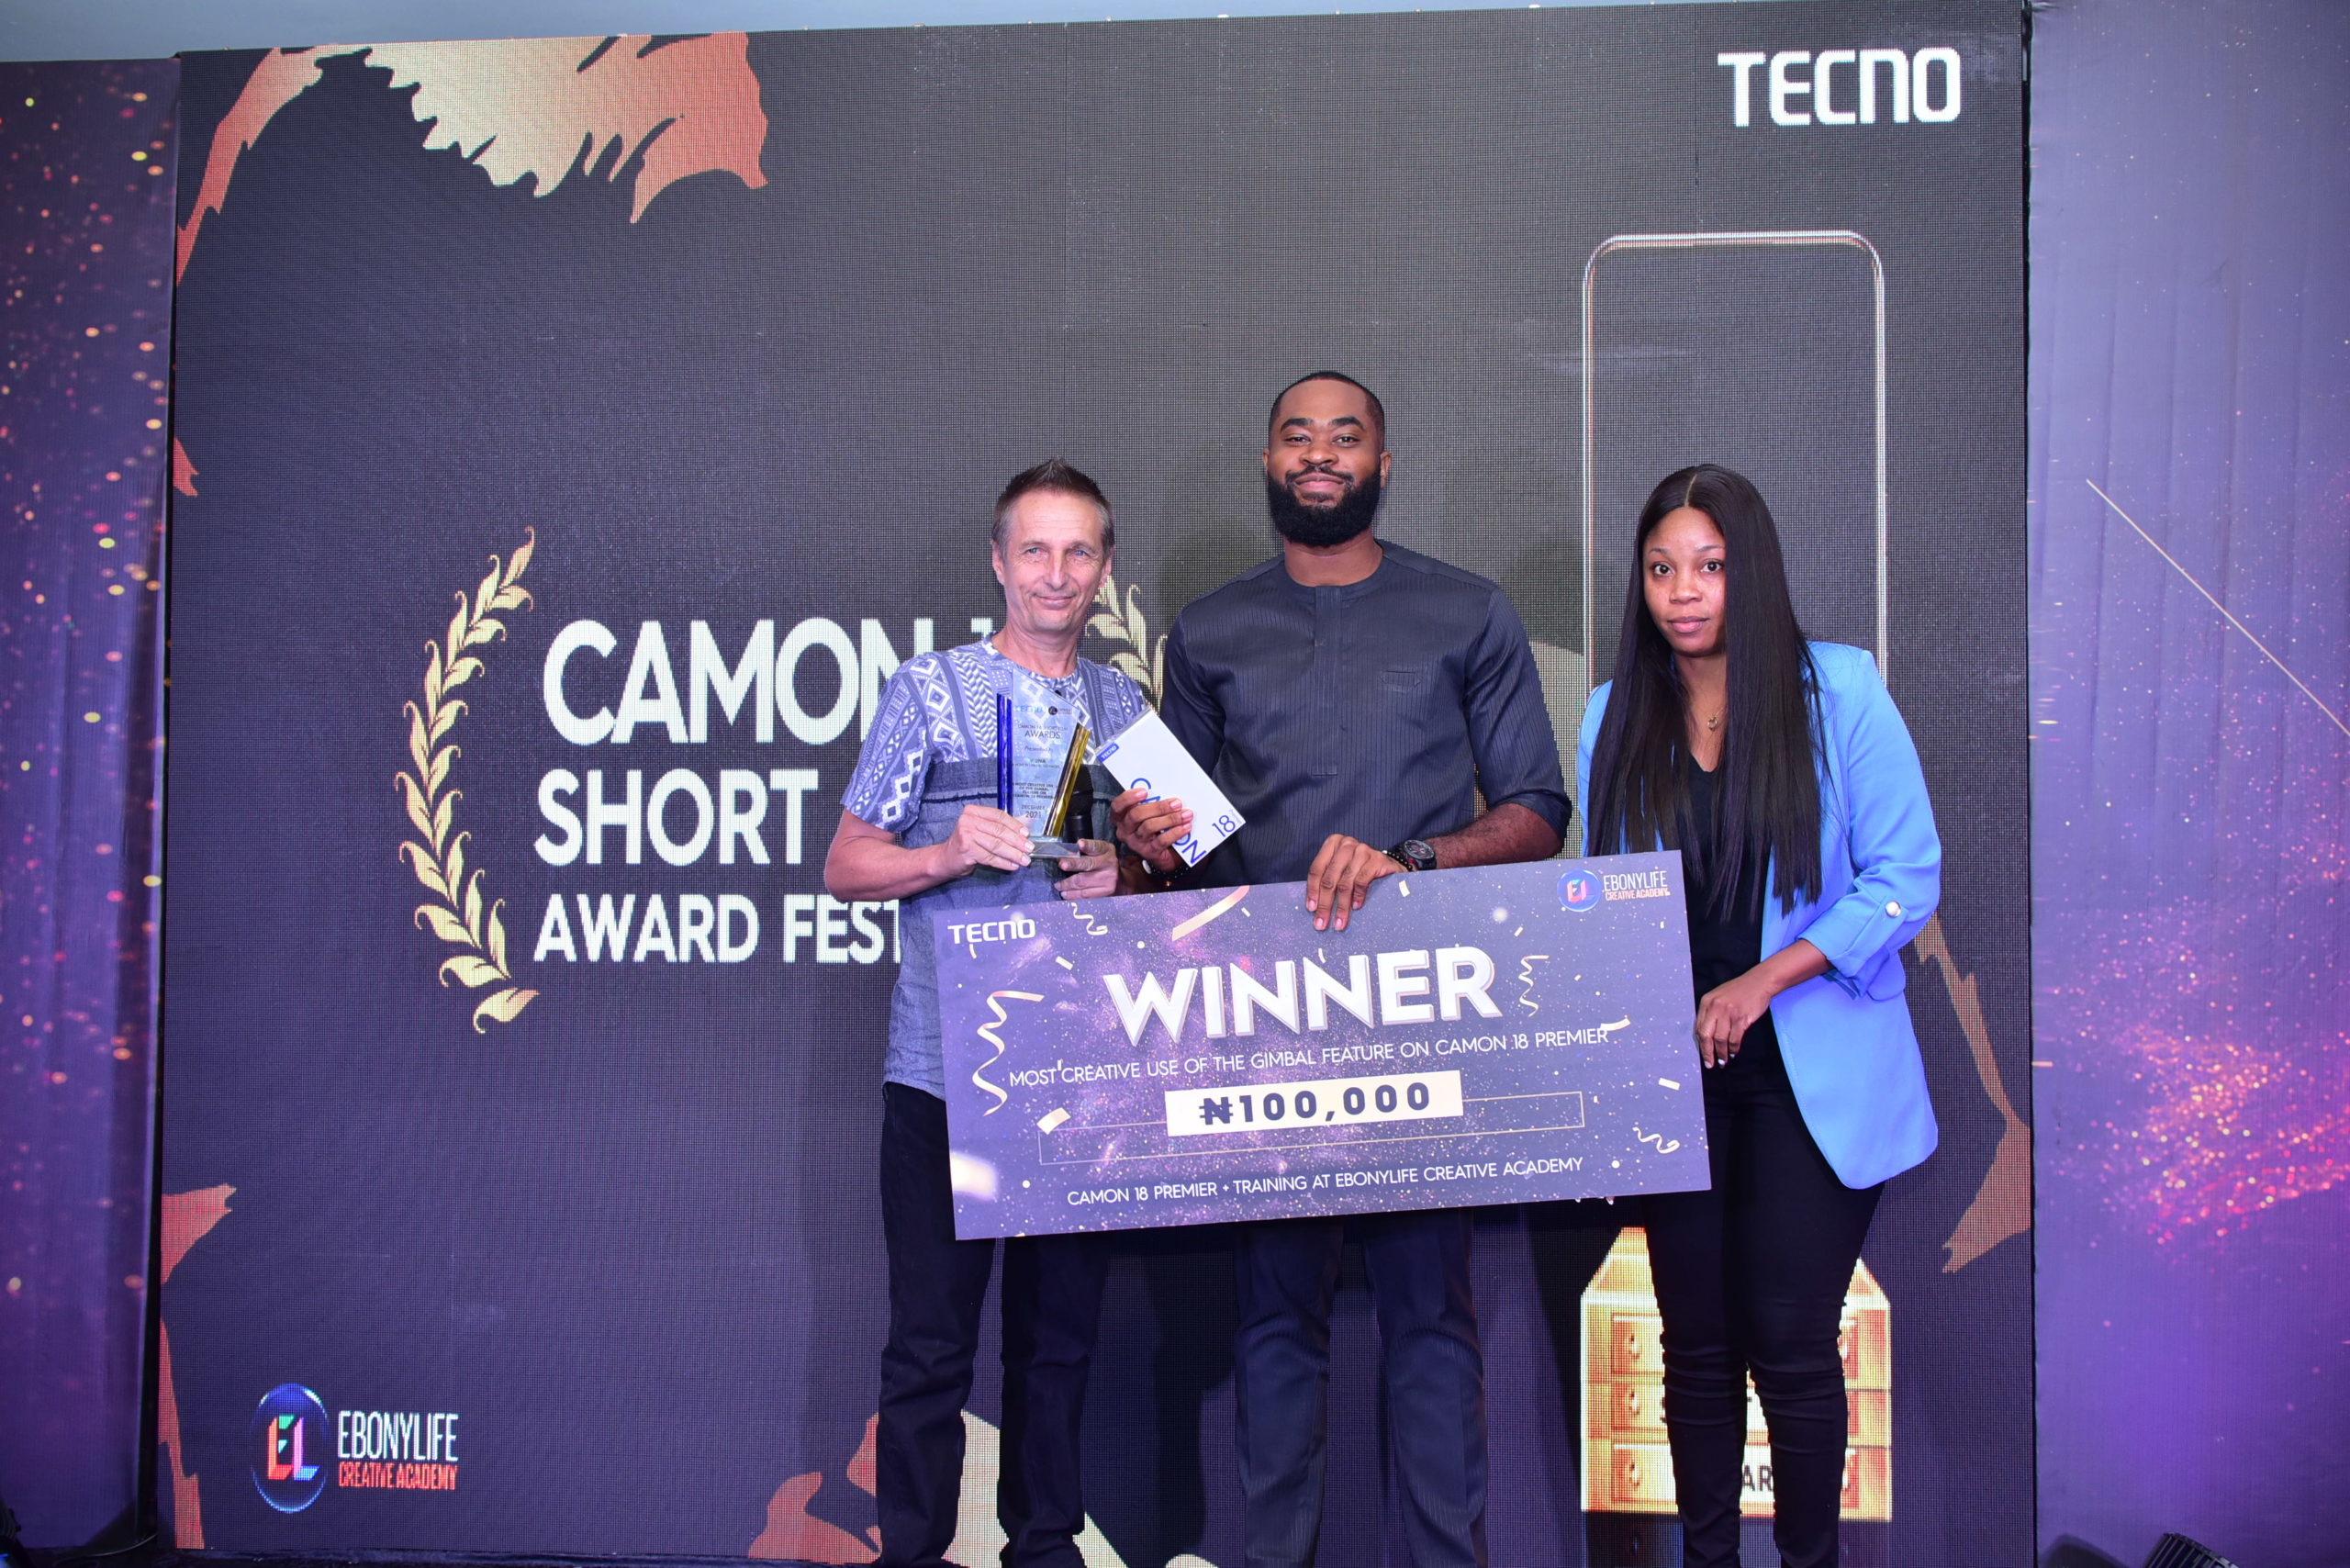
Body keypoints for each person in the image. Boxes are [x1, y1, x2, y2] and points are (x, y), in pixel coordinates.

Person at [1113, 372, 1570, 1568]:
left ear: (1381, 463)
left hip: (1420, 1013)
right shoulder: (1209, 631)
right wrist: (1144, 842)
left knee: (1432, 1319)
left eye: (1344, 437)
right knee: (1275, 1323)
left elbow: (1536, 809)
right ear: (1268, 462)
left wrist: (1411, 860)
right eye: (1296, 437)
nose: (1319, 455)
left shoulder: (1466, 613)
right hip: (1265, 1024)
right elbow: (1177, 854)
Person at [1574, 464, 1940, 1568]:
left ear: (1752, 570)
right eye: (1661, 568)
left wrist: (1762, 981)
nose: (1683, 590)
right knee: (1694, 1347)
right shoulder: (1611, 713)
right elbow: (1600, 900)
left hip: (1808, 1067)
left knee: (1787, 1341)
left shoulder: (1840, 691)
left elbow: (1904, 876)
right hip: (1675, 1075)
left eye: (1709, 565)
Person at [824, 459, 1148, 1568]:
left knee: (1057, 1344)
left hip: (1077, 1074)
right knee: (931, 1345)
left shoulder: (1124, 705)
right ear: (998, 562)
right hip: (944, 1069)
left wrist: (1123, 876)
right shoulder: (929, 690)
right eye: (1035, 549)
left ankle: (1043, 1548)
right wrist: (944, 851)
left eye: (1078, 551)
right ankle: (912, 1553)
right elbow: (845, 863)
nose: (1056, 573)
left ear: (1104, 568)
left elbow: (1173, 876)